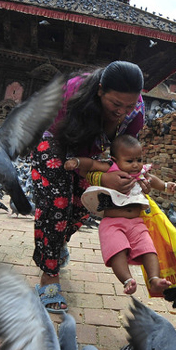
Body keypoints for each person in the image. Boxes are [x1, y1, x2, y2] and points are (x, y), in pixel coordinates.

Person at [30, 61, 146, 313]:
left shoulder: (135, 111)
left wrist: (122, 178)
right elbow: (57, 140)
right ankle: (49, 275)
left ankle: (56, 243)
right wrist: (96, 173)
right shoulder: (72, 94)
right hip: (55, 144)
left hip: (94, 157)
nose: (123, 112)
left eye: (129, 105)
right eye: (116, 104)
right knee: (57, 203)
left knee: (88, 202)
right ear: (100, 90)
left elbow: (124, 154)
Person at [69, 135, 176, 295]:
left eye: (139, 159)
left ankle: (154, 279)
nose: (136, 165)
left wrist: (166, 186)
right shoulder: (110, 168)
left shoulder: (140, 174)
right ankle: (127, 279)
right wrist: (77, 162)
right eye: (129, 161)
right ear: (114, 159)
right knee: (116, 250)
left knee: (148, 249)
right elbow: (91, 164)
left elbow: (152, 180)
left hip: (136, 223)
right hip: (112, 223)